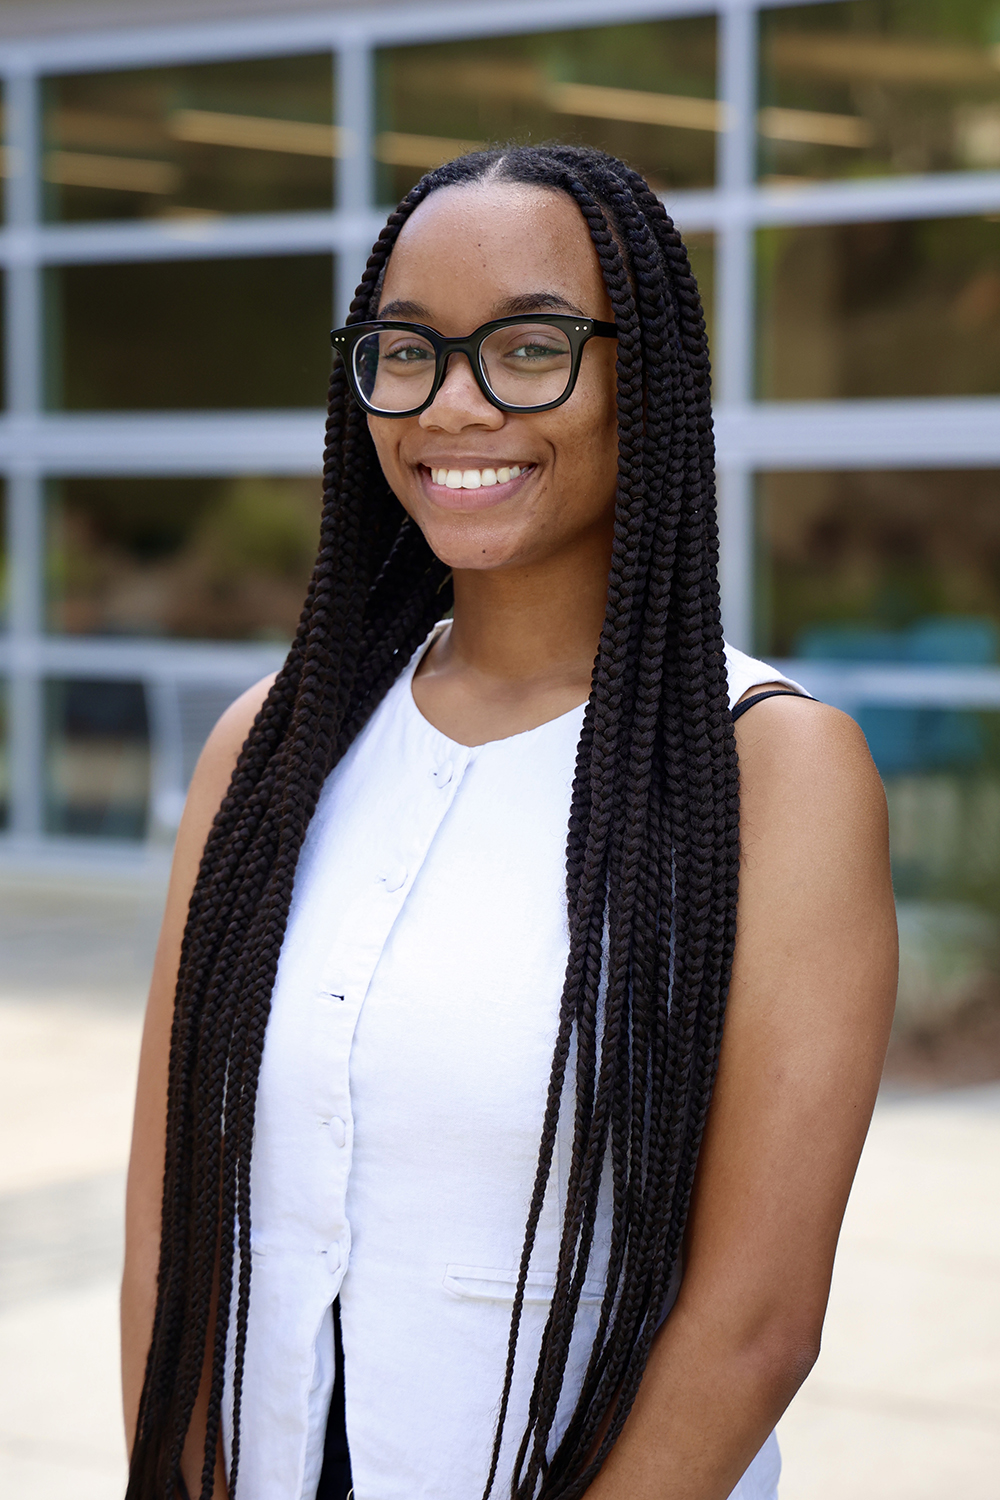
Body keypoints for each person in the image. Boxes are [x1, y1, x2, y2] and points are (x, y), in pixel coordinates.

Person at [121, 145, 897, 1500]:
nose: (454, 404)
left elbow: (755, 1325)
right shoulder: (268, 749)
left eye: (530, 348)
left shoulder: (774, 770)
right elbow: (168, 1225)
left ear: (642, 379)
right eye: (407, 351)